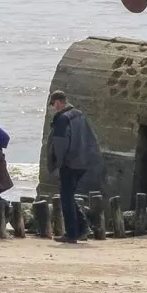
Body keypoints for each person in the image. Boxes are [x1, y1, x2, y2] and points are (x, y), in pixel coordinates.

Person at [46, 89, 102, 244]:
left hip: (69, 163)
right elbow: (92, 139)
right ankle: (83, 229)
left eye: (52, 105)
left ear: (57, 102)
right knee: (69, 195)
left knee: (66, 198)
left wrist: (58, 164)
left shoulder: (62, 119)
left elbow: (60, 144)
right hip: (83, 162)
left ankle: (71, 234)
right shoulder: (80, 115)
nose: (53, 108)